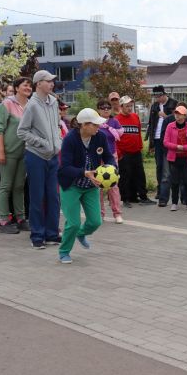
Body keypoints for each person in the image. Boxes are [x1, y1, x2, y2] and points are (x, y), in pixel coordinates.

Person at [57, 108, 116, 264]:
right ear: (84, 125)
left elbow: (109, 157)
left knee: (96, 221)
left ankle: (81, 233)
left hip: (91, 186)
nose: (99, 127)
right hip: (71, 185)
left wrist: (112, 169)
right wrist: (85, 173)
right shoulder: (70, 139)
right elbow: (65, 168)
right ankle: (64, 251)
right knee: (73, 223)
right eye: (95, 125)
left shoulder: (100, 137)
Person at [17, 70, 63, 249]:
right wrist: (42, 142)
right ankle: (37, 235)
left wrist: (56, 142)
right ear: (39, 84)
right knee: (37, 197)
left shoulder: (53, 102)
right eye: (48, 81)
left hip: (52, 156)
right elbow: (22, 131)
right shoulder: (32, 105)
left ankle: (52, 233)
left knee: (53, 196)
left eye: (52, 81)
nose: (52, 84)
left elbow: (56, 125)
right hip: (36, 156)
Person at [0, 76, 31, 234]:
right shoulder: (7, 103)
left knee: (19, 186)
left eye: (30, 85)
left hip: (25, 152)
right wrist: (1, 150)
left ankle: (20, 218)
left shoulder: (31, 106)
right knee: (6, 185)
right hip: (8, 152)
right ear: (16, 88)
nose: (28, 88)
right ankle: (4, 220)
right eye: (25, 85)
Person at [116, 95, 155, 207]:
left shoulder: (135, 116)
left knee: (140, 175)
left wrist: (140, 147)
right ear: (121, 106)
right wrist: (119, 153)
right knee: (125, 176)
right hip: (124, 153)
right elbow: (115, 139)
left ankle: (142, 197)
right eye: (127, 106)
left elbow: (138, 133)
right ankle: (126, 198)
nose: (129, 108)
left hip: (136, 151)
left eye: (131, 106)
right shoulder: (116, 120)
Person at [146, 85, 177, 206]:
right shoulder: (154, 106)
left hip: (169, 140)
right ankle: (160, 191)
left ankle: (170, 192)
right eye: (155, 96)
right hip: (157, 139)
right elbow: (151, 124)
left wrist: (167, 116)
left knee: (168, 169)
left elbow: (179, 119)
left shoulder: (174, 103)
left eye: (159, 96)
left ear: (164, 94)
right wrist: (151, 143)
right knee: (159, 166)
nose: (157, 98)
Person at [163, 105, 187, 211]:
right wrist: (176, 147)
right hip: (174, 158)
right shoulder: (170, 126)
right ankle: (174, 202)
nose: (178, 116)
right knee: (174, 181)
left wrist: (184, 148)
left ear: (185, 116)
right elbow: (165, 142)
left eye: (180, 114)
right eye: (176, 114)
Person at [97, 99, 124, 223]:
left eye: (108, 107)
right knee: (98, 187)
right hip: (97, 157)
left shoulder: (114, 122)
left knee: (113, 185)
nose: (106, 109)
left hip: (111, 156)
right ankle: (100, 214)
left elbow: (120, 133)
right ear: (98, 109)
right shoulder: (95, 122)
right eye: (103, 107)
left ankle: (117, 213)